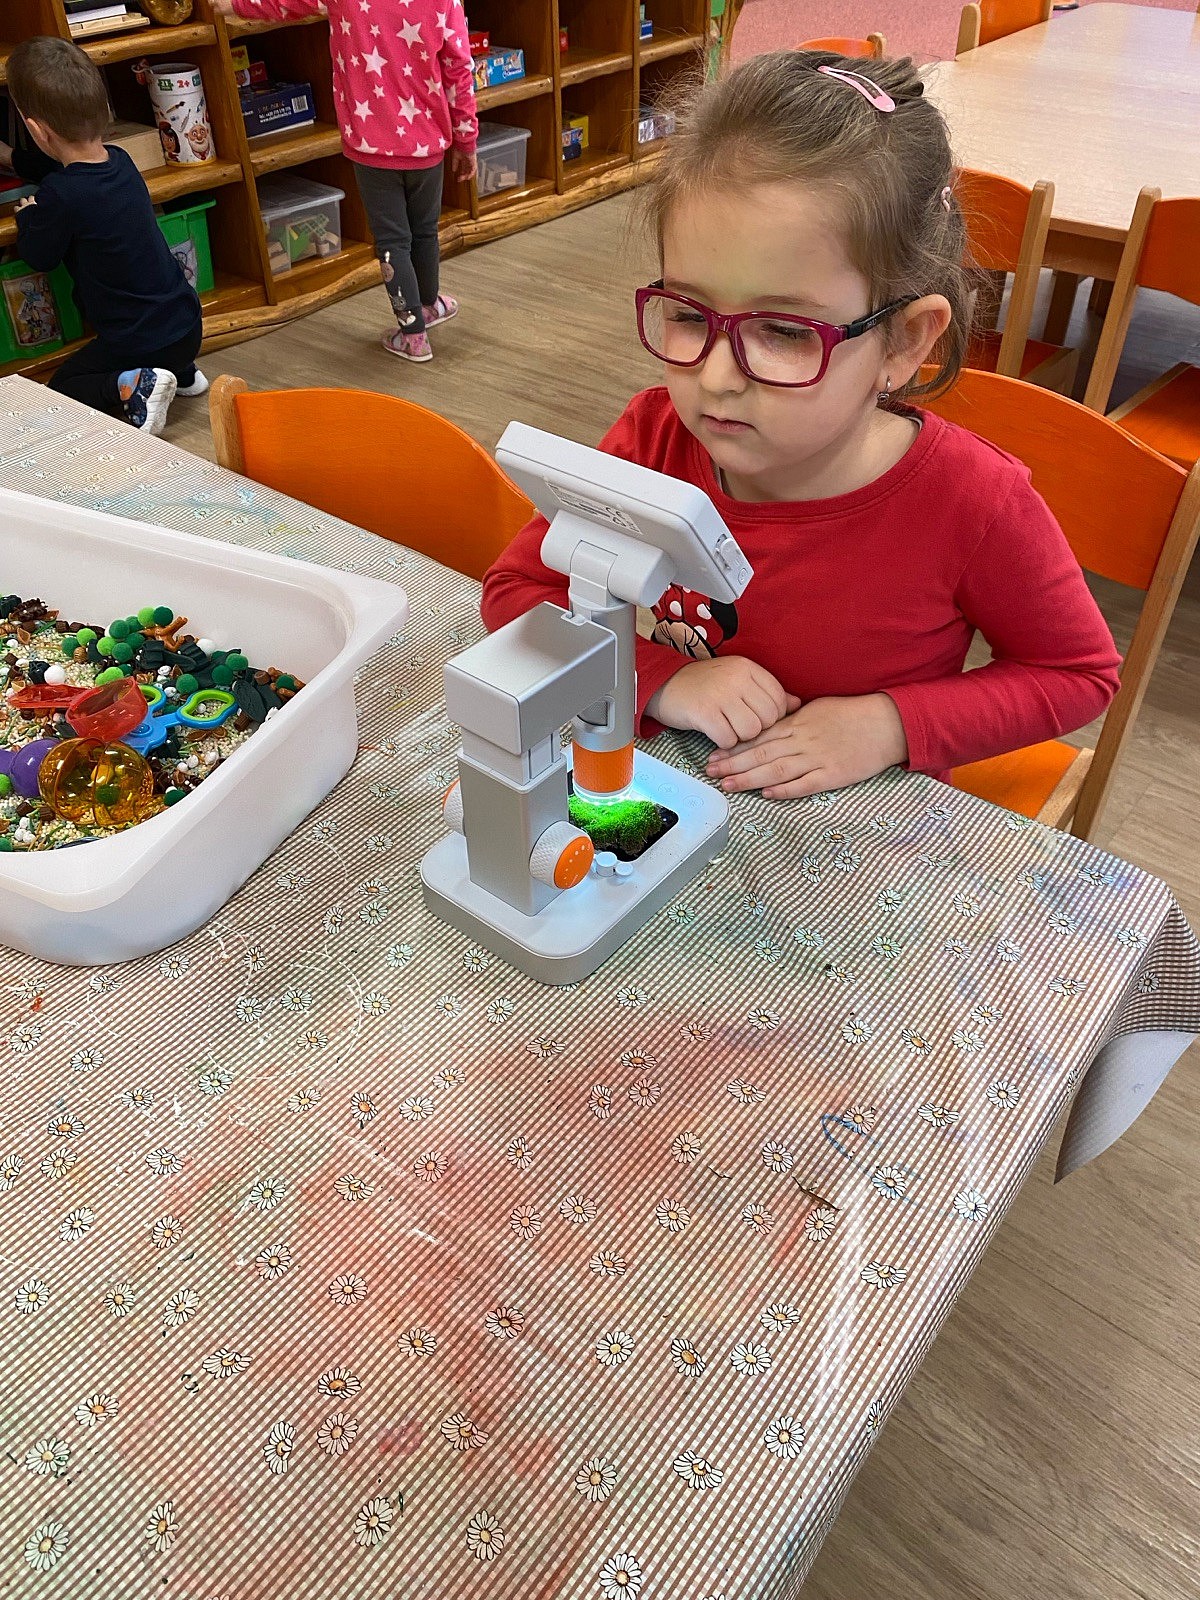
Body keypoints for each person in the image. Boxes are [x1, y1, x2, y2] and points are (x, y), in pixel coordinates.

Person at [482, 52, 1121, 800]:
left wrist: (889, 724)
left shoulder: (975, 503)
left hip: (859, 830)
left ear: (905, 342)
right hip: (675, 793)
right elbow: (517, 589)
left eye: (784, 332)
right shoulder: (653, 439)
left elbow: (1078, 674)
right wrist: (662, 677)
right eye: (688, 314)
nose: (717, 377)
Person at [213, 0, 477, 365]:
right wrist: (466, 140)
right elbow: (459, 70)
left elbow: (285, 3)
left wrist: (232, 5)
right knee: (424, 230)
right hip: (427, 142)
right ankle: (428, 307)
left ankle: (413, 335)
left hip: (371, 145)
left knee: (393, 242)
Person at [1, 37, 206, 435]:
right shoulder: (122, 162)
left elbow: (40, 255)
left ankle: (134, 385)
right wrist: (12, 158)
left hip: (138, 341)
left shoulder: (59, 195)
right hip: (186, 327)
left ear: (36, 129)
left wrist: (29, 217)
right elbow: (67, 174)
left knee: (64, 386)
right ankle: (182, 374)